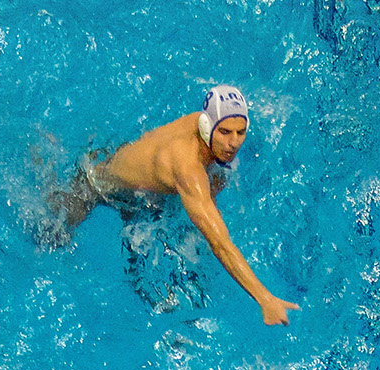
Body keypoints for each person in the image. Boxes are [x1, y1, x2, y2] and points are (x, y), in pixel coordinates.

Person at [44, 84, 299, 326]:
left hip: (141, 182)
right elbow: (220, 243)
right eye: (225, 132)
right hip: (98, 187)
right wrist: (265, 299)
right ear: (207, 127)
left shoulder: (206, 126)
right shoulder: (188, 169)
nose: (233, 142)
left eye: (240, 132)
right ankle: (42, 161)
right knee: (51, 239)